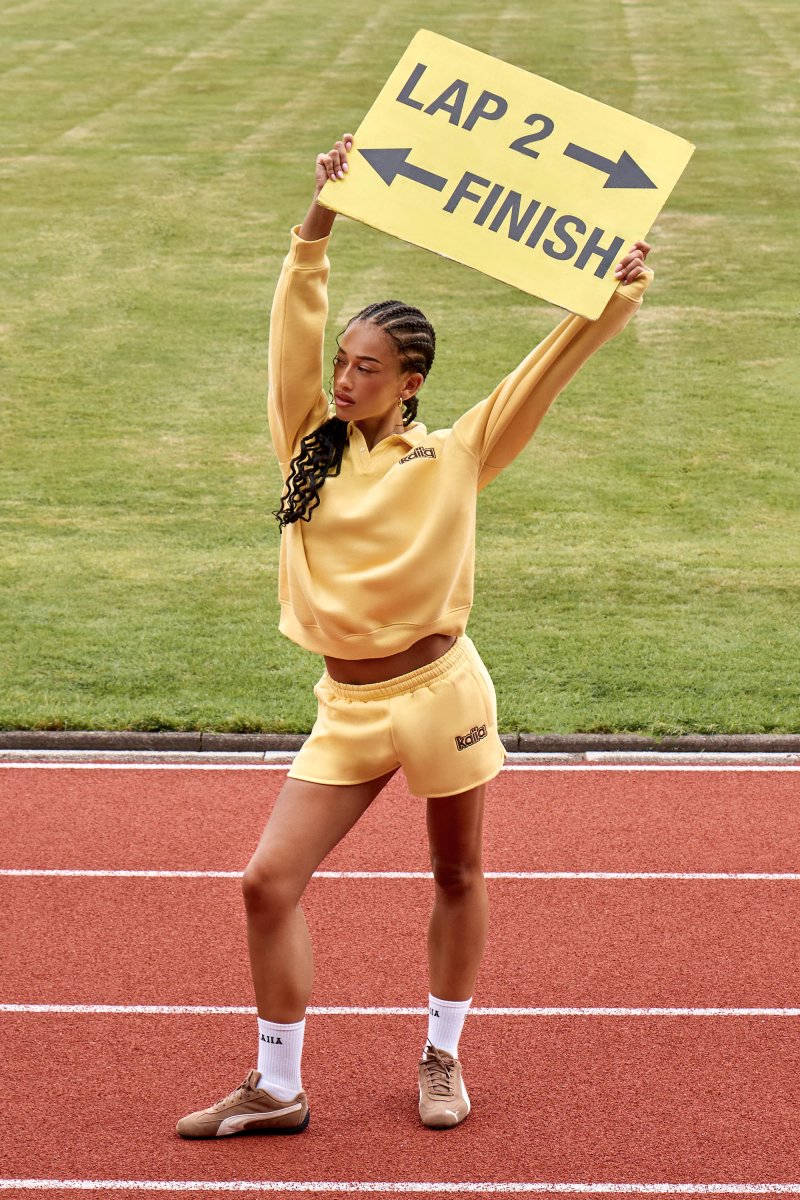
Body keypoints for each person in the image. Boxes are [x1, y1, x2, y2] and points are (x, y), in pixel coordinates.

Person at [176, 134, 652, 1139]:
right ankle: (278, 1086)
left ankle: (441, 1056)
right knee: (266, 882)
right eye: (341, 364)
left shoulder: (456, 452)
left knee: (455, 873)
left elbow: (544, 370)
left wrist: (614, 293)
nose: (343, 379)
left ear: (410, 381)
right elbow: (291, 323)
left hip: (441, 696)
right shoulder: (305, 441)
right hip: (346, 707)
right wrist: (319, 218)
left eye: (367, 368)